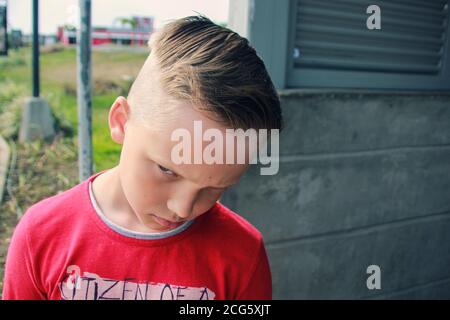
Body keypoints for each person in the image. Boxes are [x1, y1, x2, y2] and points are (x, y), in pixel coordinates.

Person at [2, 15, 283, 300]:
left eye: (216, 188)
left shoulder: (242, 256)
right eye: (167, 170)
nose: (183, 208)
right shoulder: (41, 235)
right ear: (121, 121)